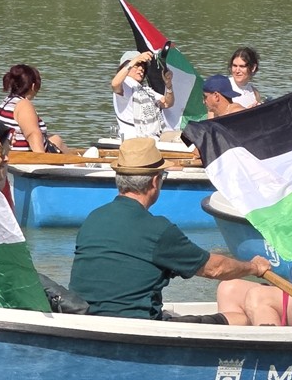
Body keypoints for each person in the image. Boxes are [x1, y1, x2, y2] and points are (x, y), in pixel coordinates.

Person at [69, 138, 273, 324]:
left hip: (87, 319)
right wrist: (254, 268)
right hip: (138, 326)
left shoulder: (93, 218)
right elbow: (215, 268)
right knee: (239, 319)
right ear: (155, 182)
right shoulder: (158, 230)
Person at [0, 63, 70, 153]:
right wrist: (42, 160)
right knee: (57, 141)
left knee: (54, 139)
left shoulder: (8, 101)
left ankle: (81, 162)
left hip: (11, 152)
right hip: (25, 159)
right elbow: (32, 134)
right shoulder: (24, 105)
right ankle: (82, 164)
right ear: (33, 86)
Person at [112, 50, 174, 139]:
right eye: (137, 65)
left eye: (143, 66)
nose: (141, 69)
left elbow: (167, 103)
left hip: (153, 137)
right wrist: (135, 60)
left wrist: (168, 85)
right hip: (134, 139)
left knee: (184, 137)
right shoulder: (124, 84)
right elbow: (114, 84)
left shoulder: (145, 90)